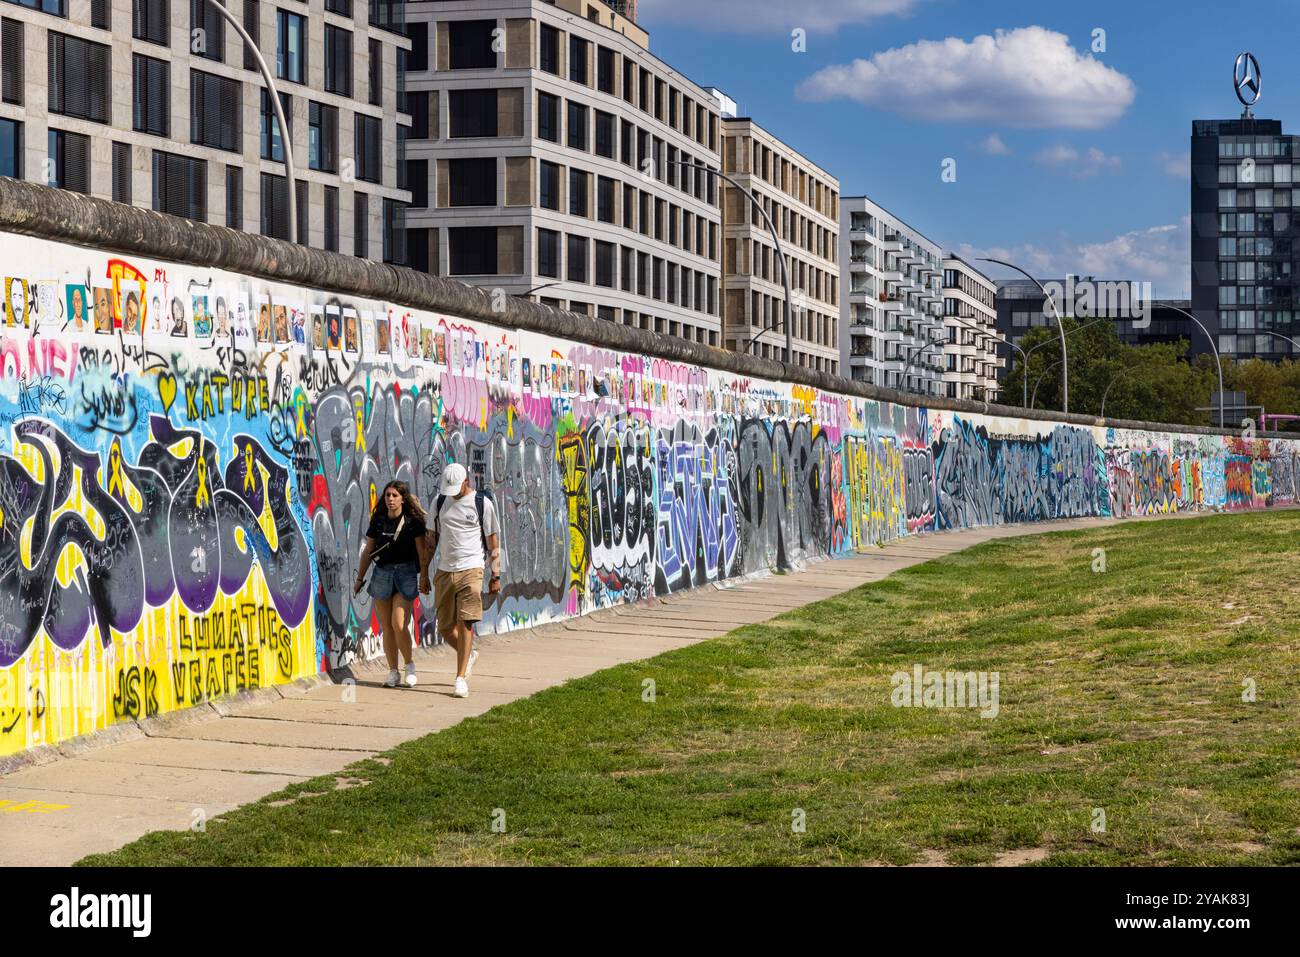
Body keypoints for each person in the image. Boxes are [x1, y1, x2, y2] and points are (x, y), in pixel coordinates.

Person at [427, 463, 500, 699]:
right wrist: (423, 571)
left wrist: (495, 575)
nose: (453, 493)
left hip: (472, 568)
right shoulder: (439, 502)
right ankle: (468, 654)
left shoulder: (482, 504)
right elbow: (431, 540)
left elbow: (493, 542)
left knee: (466, 621)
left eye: (457, 488)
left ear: (466, 482)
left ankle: (459, 679)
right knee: (446, 627)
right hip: (445, 569)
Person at [354, 481, 431, 689]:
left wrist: (424, 576)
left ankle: (409, 665)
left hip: (405, 574)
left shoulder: (412, 522)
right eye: (387, 495)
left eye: (395, 495)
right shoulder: (378, 521)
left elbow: (422, 552)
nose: (390, 499)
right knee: (386, 627)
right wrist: (360, 578)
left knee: (399, 624)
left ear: (403, 499)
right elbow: (368, 551)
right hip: (382, 574)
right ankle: (393, 671)